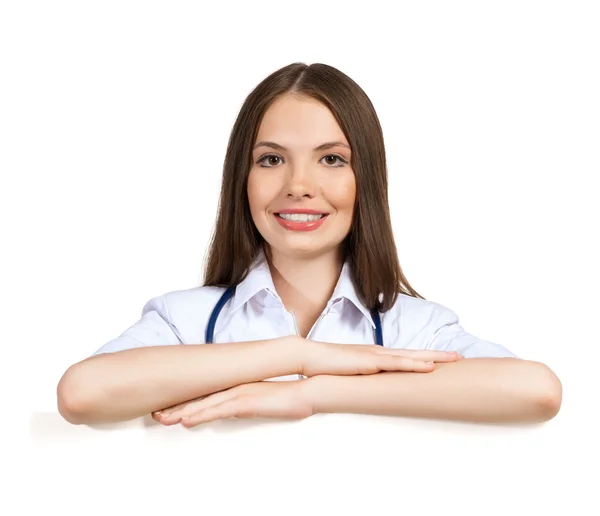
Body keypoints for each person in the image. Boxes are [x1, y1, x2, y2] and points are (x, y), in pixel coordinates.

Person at [56, 62, 562, 427]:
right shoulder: (184, 320)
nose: (299, 185)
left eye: (332, 159)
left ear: (366, 181)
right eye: (272, 160)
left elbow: (535, 391)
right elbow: (82, 394)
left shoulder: (417, 328)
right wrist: (296, 354)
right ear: (243, 179)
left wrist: (314, 392)